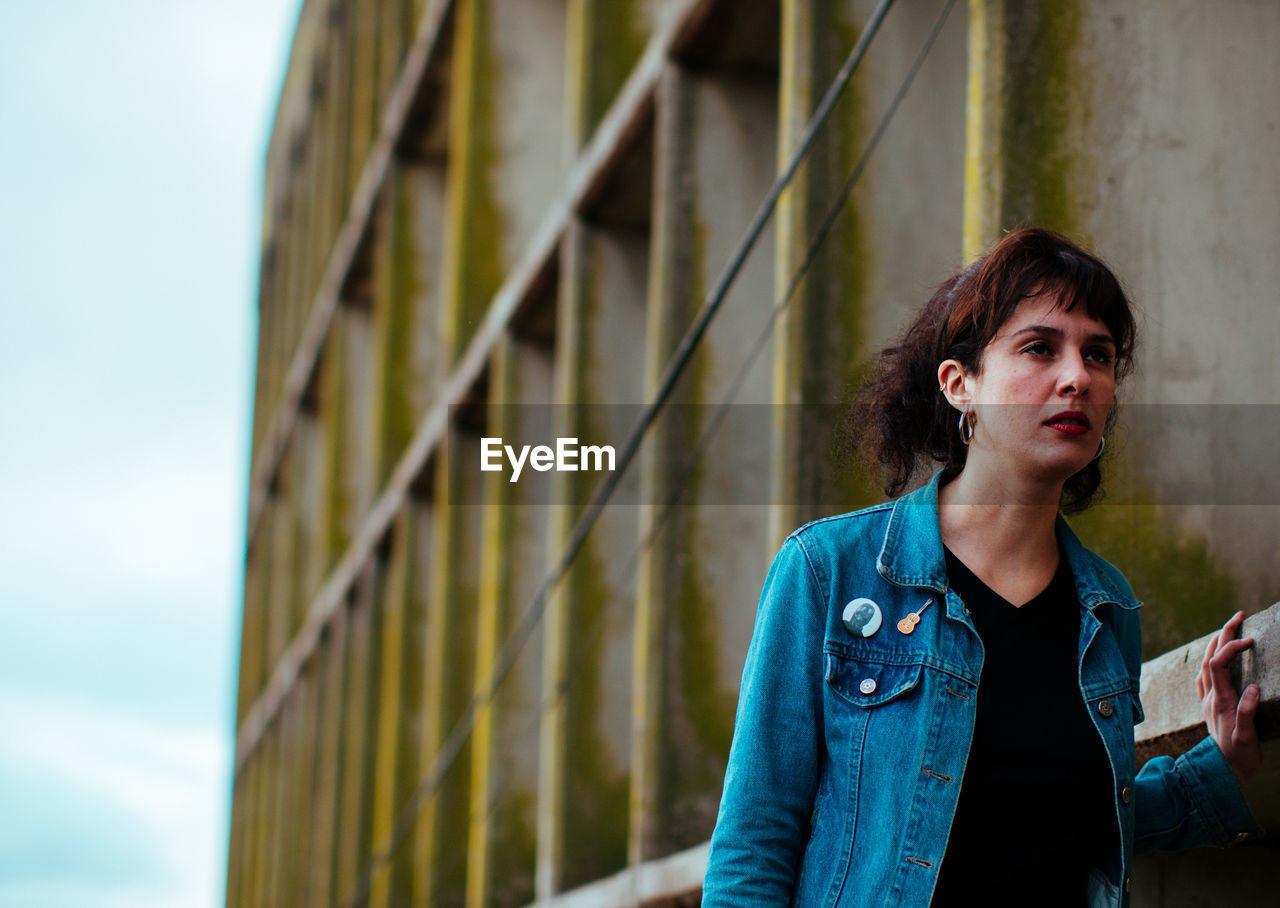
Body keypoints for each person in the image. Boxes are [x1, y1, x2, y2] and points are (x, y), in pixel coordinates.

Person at [701, 228, 1262, 907]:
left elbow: (1073, 822)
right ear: (959, 385)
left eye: (1099, 354)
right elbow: (755, 842)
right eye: (1039, 348)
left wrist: (1218, 768)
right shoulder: (828, 572)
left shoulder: (1106, 608)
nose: (1077, 376)